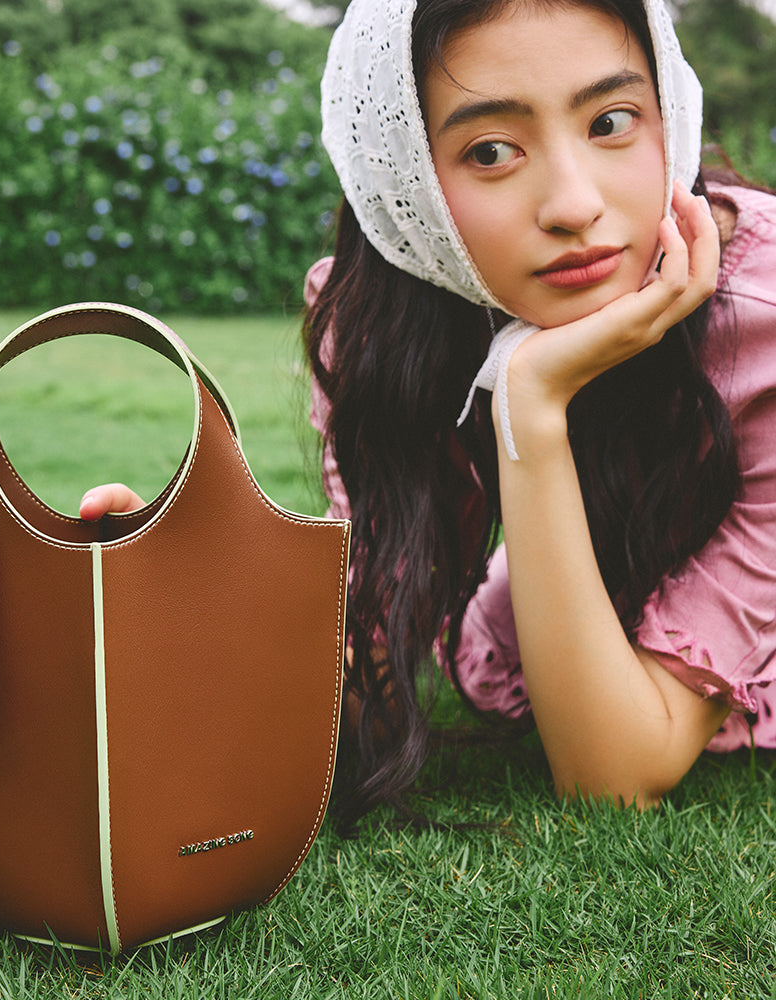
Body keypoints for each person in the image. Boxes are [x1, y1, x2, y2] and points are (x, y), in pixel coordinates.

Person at [83, 0, 776, 826]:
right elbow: (372, 633)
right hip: (567, 615)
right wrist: (182, 615)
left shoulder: (763, 321)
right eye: (490, 150)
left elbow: (614, 775)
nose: (574, 203)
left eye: (613, 120)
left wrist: (529, 405)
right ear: (402, 175)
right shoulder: (389, 325)